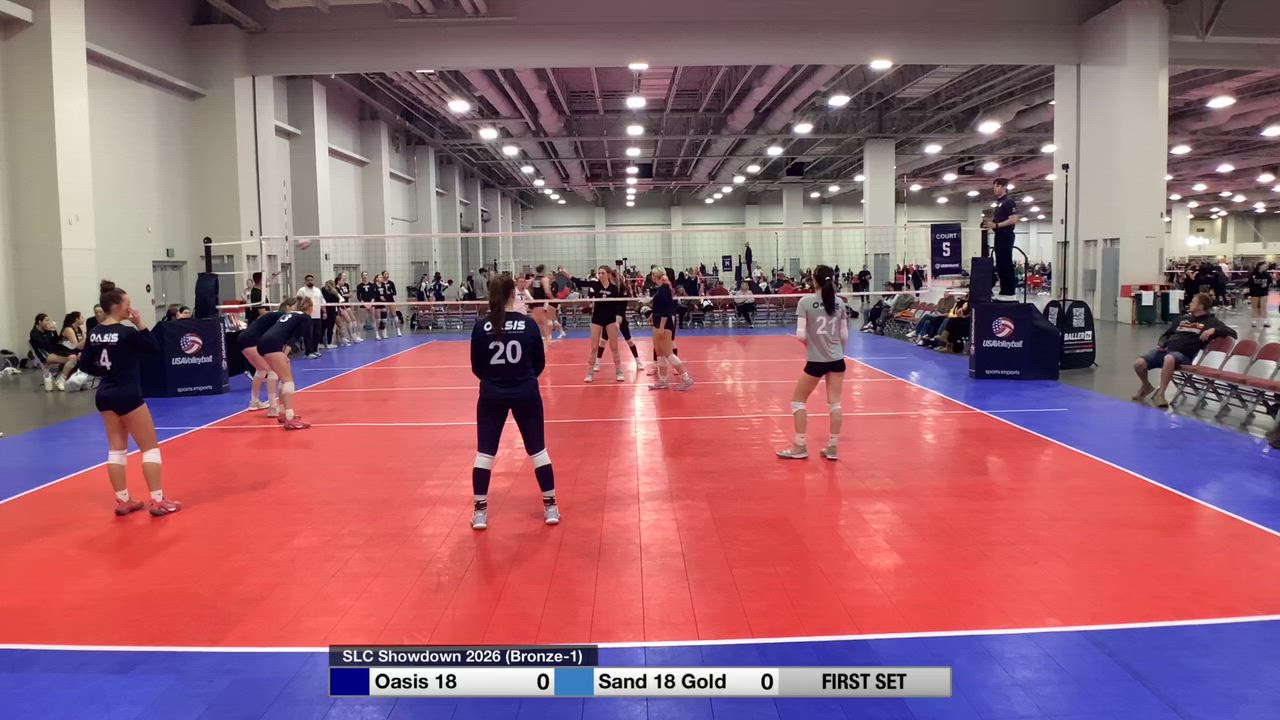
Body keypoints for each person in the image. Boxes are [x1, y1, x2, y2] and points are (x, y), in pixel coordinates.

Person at [79, 280, 180, 517]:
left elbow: (85, 365)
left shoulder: (94, 333)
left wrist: (106, 370)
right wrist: (140, 324)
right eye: (127, 304)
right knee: (150, 448)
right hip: (127, 393)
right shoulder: (126, 333)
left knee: (116, 449)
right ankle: (157, 500)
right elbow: (154, 348)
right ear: (116, 306)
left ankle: (123, 500)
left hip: (105, 393)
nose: (130, 308)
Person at [468, 273, 559, 530]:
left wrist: (495, 381)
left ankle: (480, 512)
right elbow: (539, 363)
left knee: (485, 453)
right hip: (525, 393)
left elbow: (476, 366)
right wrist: (521, 379)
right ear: (512, 294)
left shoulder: (481, 326)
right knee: (538, 450)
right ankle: (551, 507)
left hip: (492, 394)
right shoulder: (528, 325)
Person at [776, 265, 853, 461]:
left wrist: (810, 346)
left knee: (798, 401)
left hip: (816, 361)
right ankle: (832, 447)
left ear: (814, 280)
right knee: (835, 404)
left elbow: (801, 334)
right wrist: (839, 352)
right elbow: (844, 335)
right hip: (837, 360)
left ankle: (800, 445)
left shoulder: (806, 302)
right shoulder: (840, 303)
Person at [1133, 292, 1237, 409]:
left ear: (1201, 306)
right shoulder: (1183, 319)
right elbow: (1166, 335)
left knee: (1169, 358)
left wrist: (1214, 330)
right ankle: (1146, 385)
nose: (1190, 304)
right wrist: (1161, 343)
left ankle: (1161, 394)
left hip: (1183, 356)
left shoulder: (1211, 322)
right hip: (1166, 351)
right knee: (1139, 363)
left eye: (1193, 302)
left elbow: (1233, 333)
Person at [256, 297, 314, 430]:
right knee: (288, 381)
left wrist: (283, 355)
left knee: (283, 377)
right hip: (273, 344)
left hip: (264, 342)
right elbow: (295, 339)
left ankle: (283, 413)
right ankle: (290, 418)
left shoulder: (289, 315)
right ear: (310, 308)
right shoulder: (305, 317)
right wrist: (286, 353)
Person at [561, 266, 626, 383]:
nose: (600, 275)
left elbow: (618, 305)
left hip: (610, 319)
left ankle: (619, 371)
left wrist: (618, 319)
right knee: (594, 347)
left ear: (608, 274)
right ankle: (590, 373)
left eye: (603, 273)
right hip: (597, 318)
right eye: (599, 273)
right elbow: (580, 282)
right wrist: (568, 275)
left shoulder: (613, 288)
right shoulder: (595, 285)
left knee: (614, 347)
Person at [238, 298, 297, 412]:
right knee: (272, 371)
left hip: (243, 338)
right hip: (252, 340)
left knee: (261, 370)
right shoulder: (283, 317)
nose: (297, 310)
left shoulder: (273, 315)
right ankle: (273, 407)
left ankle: (254, 402)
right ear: (288, 307)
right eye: (295, 307)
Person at [647, 268, 693, 391]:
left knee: (668, 353)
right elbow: (658, 307)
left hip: (664, 324)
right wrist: (652, 316)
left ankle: (686, 378)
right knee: (660, 353)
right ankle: (663, 380)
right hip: (657, 323)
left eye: (652, 274)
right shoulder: (661, 288)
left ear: (656, 276)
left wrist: (662, 326)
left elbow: (666, 310)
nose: (651, 277)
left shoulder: (665, 289)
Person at [982, 178, 1021, 300]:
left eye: (997, 186)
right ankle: (1004, 291)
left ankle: (1009, 292)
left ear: (1004, 187)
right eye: (994, 186)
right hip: (999, 235)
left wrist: (997, 225)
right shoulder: (999, 203)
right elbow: (997, 221)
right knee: (1000, 264)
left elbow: (1013, 219)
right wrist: (989, 224)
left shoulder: (1008, 201)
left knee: (1005, 263)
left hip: (1006, 234)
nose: (995, 188)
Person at [29, 313, 78, 391]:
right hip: (44, 354)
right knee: (72, 358)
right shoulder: (34, 333)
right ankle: (61, 379)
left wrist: (54, 330)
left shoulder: (47, 331)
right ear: (39, 322)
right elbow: (44, 344)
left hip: (53, 351)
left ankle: (61, 378)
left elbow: (56, 340)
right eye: (46, 320)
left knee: (74, 356)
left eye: (49, 320)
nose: (48, 322)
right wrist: (49, 332)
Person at [296, 274, 325, 358]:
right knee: (308, 334)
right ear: (305, 281)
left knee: (317, 333)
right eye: (308, 280)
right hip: (307, 316)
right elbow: (298, 302)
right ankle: (308, 352)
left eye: (311, 280)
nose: (310, 281)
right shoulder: (301, 290)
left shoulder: (317, 290)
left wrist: (324, 312)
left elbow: (322, 301)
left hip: (317, 315)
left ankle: (315, 350)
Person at [1248, 260, 1272, 329]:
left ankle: (1265, 322)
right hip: (1254, 292)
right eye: (1264, 265)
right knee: (1254, 307)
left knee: (1263, 307)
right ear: (1260, 266)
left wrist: (1266, 286)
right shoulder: (1253, 274)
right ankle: (1254, 321)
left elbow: (1269, 283)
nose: (1266, 267)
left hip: (1264, 292)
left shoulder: (1267, 274)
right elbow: (1249, 283)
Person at [320, 280, 342, 348]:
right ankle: (329, 343)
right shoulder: (334, 293)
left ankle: (320, 343)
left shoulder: (322, 291)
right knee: (330, 328)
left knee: (322, 328)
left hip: (323, 311)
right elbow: (337, 302)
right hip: (331, 312)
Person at [382, 271, 402, 337]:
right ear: (382, 275)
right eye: (385, 274)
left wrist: (390, 291)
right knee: (384, 316)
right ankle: (384, 332)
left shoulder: (391, 283)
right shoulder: (381, 283)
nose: (387, 275)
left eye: (388, 274)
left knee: (394, 315)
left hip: (391, 300)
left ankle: (398, 330)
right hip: (383, 301)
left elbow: (395, 292)